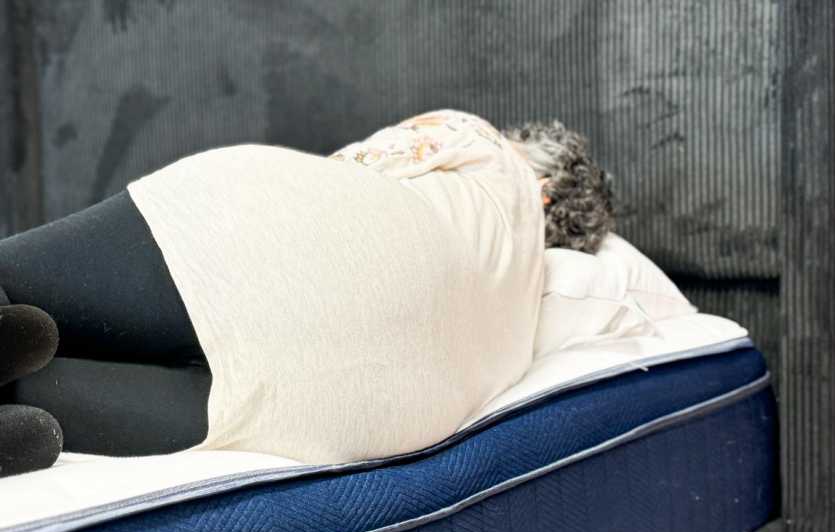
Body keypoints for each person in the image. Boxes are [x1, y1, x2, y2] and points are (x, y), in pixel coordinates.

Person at [0, 109, 617, 477]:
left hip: (285, 249)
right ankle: (30, 405)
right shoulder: (517, 337)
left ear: (542, 185)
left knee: (17, 276)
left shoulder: (486, 148)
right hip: (338, 404)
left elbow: (366, 162)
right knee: (41, 391)